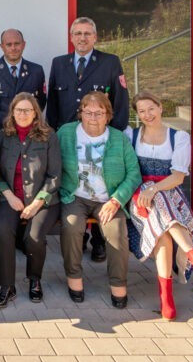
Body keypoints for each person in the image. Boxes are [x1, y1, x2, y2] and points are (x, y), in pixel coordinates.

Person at [125, 92, 193, 320]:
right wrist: (146, 191)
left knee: (163, 229)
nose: (147, 114)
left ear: (160, 108)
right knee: (161, 219)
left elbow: (177, 177)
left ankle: (166, 299)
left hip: (168, 193)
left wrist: (154, 189)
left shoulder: (179, 137)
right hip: (139, 197)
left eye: (151, 109)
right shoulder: (132, 135)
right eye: (141, 111)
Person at [47, 17, 130, 263]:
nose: (82, 38)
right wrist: (55, 132)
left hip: (101, 139)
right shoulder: (59, 63)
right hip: (70, 141)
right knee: (76, 183)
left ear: (95, 37)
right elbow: (53, 102)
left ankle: (99, 241)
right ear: (71, 37)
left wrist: (113, 136)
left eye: (87, 34)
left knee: (99, 185)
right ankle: (79, 236)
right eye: (78, 33)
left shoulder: (110, 62)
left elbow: (120, 102)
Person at [57, 92, 141, 308]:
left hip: (108, 198)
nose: (93, 117)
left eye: (99, 113)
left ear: (108, 116)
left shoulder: (118, 138)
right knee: (72, 226)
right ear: (81, 113)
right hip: (75, 195)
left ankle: (118, 283)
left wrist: (116, 200)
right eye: (88, 112)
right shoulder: (66, 133)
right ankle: (74, 278)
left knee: (116, 232)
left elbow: (134, 173)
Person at [0, 93, 61, 308]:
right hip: (10, 199)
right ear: (12, 112)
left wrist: (37, 203)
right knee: (2, 229)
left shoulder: (49, 136)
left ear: (35, 113)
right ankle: (7, 286)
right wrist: (8, 195)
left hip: (43, 200)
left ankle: (34, 280)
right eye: (18, 110)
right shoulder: (1, 136)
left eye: (27, 110)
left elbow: (55, 175)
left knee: (34, 237)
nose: (22, 114)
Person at [0, 29, 46, 133]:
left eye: (17, 44)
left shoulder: (36, 71)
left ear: (23, 45)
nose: (13, 48)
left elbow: (40, 102)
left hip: (27, 133)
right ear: (2, 46)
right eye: (8, 44)